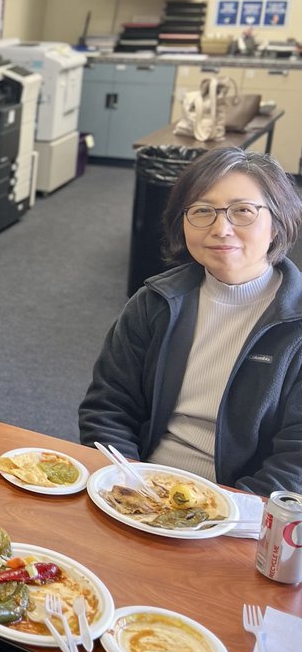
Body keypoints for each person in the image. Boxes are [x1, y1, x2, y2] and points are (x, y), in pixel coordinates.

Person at [79, 148, 302, 497]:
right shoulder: (155, 302)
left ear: (278, 221)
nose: (221, 228)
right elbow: (108, 408)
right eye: (202, 211)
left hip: (242, 509)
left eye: (242, 211)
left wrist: (226, 516)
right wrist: (131, 487)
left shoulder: (296, 324)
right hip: (141, 488)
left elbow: (296, 461)